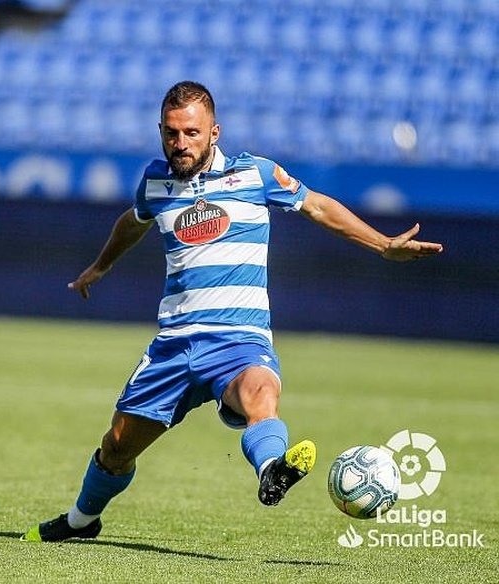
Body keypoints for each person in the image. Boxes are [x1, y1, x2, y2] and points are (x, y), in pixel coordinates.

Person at [22, 81, 443, 543]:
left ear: (214, 132)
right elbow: (133, 221)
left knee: (261, 393)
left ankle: (271, 470)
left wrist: (383, 245)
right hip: (174, 346)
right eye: (170, 133)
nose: (180, 144)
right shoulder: (155, 182)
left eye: (191, 133)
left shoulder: (255, 174)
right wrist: (99, 267)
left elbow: (318, 206)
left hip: (239, 338)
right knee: (117, 446)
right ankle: (82, 521)